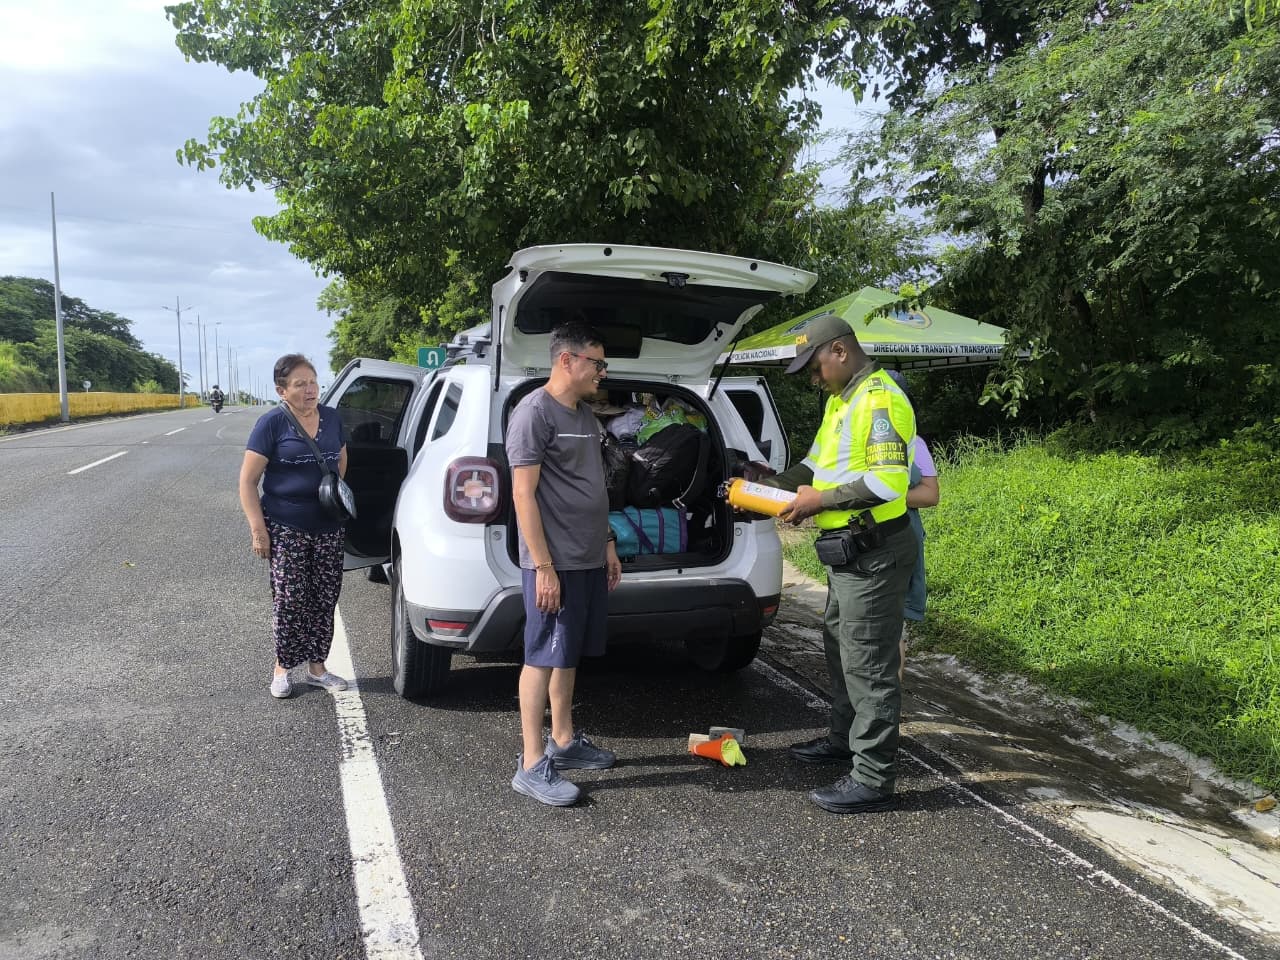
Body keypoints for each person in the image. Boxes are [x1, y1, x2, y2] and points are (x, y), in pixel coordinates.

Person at [764, 314, 917, 815]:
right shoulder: (840, 401)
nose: (814, 378)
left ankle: (873, 778)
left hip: (874, 552)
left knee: (867, 661)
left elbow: (888, 484)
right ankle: (844, 741)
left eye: (815, 367)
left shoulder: (880, 400)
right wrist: (768, 487)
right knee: (840, 648)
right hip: (848, 553)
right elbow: (815, 466)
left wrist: (817, 501)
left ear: (840, 351)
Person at [505, 322, 623, 806]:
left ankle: (564, 739)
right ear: (566, 360)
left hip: (587, 556)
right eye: (597, 362)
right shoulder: (533, 413)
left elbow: (594, 487)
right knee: (541, 655)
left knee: (566, 652)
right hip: (554, 562)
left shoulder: (586, 416)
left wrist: (608, 542)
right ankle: (532, 763)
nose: (602, 372)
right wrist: (543, 567)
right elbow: (523, 495)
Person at [238, 354, 350, 699]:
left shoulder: (332, 418)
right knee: (290, 599)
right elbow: (247, 482)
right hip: (286, 527)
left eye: (313, 382)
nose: (310, 389)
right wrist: (259, 531)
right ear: (282, 391)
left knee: (325, 597)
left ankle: (318, 669)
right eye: (300, 384)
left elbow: (341, 458)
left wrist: (331, 494)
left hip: (328, 527)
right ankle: (282, 668)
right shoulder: (272, 424)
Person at [885, 370, 940, 683]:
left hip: (900, 539)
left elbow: (930, 495)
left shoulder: (914, 443)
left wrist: (883, 495)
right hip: (860, 545)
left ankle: (889, 700)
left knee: (894, 626)